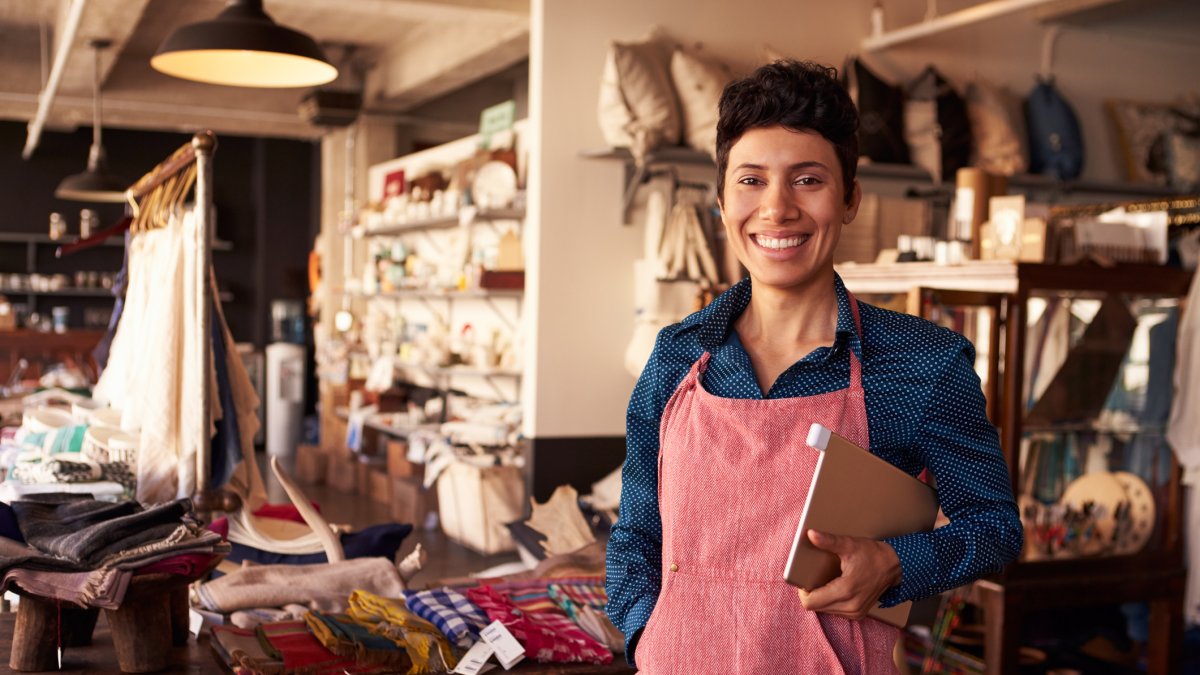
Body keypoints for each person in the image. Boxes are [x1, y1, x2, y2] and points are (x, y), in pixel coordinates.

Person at [605, 59, 1023, 674]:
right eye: (751, 181)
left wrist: (898, 564)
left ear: (849, 198)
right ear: (721, 203)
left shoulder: (923, 363)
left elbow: (995, 528)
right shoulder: (677, 356)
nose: (776, 209)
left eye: (807, 180)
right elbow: (636, 535)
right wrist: (649, 634)